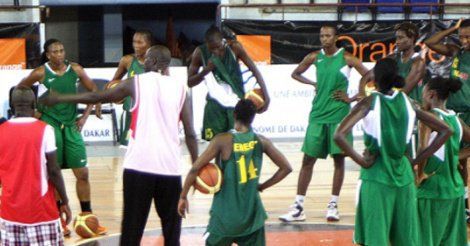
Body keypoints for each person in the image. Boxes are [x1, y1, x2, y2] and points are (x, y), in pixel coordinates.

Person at [42, 45, 198, 246]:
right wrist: (195, 168)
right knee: (172, 229)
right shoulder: (180, 89)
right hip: (170, 168)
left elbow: (96, 97)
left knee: (132, 228)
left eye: (147, 59)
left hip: (139, 166)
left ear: (153, 62)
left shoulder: (136, 83)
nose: (144, 62)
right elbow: (191, 134)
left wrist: (60, 98)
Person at [334, 58, 451, 246]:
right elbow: (446, 130)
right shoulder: (408, 102)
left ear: (375, 78)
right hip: (404, 176)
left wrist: (361, 161)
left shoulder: (369, 102)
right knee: (405, 239)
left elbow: (339, 135)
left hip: (376, 176)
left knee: (374, 238)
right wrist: (416, 160)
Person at [279, 24, 369, 222]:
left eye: (328, 35)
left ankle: (333, 205)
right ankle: (299, 206)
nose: (324, 39)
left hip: (339, 116)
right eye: (321, 36)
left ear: (336, 37)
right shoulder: (314, 57)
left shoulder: (347, 58)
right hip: (318, 115)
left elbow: (369, 75)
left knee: (338, 161)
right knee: (307, 160)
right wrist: (312, 83)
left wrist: (354, 97)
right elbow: (295, 73)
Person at [17, 38, 106, 236]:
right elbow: (20, 89)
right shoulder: (40, 72)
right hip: (50, 125)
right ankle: (58, 220)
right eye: (55, 52)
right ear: (48, 55)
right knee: (54, 173)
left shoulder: (75, 69)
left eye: (62, 50)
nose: (59, 54)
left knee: (82, 173)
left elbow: (93, 91)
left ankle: (87, 215)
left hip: (71, 125)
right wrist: (35, 111)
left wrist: (84, 116)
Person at [178, 99, 292, 246]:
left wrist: (183, 196)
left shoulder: (222, 140)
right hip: (252, 217)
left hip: (224, 217)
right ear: (253, 117)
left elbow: (195, 168)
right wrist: (262, 186)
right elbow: (286, 168)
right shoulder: (261, 141)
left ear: (234, 114)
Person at [0, 87, 71, 245]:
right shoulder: (45, 130)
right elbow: (54, 171)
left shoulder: (1, 131)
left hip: (9, 212)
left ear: (11, 107)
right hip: (41, 211)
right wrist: (64, 201)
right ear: (35, 104)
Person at [188, 25, 270, 141]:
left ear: (223, 41)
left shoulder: (234, 47)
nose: (216, 51)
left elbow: (254, 70)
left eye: (218, 47)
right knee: (215, 144)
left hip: (236, 104)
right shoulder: (199, 52)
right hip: (214, 105)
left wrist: (266, 96)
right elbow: (190, 82)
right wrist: (206, 71)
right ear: (206, 44)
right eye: (212, 49)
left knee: (238, 142)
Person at [424, 18, 470, 220]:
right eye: (461, 36)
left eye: (468, 36)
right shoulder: (455, 51)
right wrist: (453, 28)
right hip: (453, 110)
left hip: (469, 110)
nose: (464, 40)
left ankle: (463, 199)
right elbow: (431, 42)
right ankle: (463, 202)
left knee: (462, 158)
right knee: (461, 162)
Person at [417, 76, 469, 246]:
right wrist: (455, 156)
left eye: (423, 93)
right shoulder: (457, 120)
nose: (421, 97)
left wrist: (419, 175)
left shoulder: (428, 118)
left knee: (424, 239)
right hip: (454, 189)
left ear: (431, 94)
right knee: (450, 241)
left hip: (432, 189)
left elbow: (423, 149)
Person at [111, 29, 153, 147]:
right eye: (134, 42)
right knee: (128, 150)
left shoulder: (157, 62)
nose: (136, 46)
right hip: (131, 113)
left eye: (140, 42)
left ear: (149, 44)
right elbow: (114, 82)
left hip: (150, 113)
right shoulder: (127, 60)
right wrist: (113, 94)